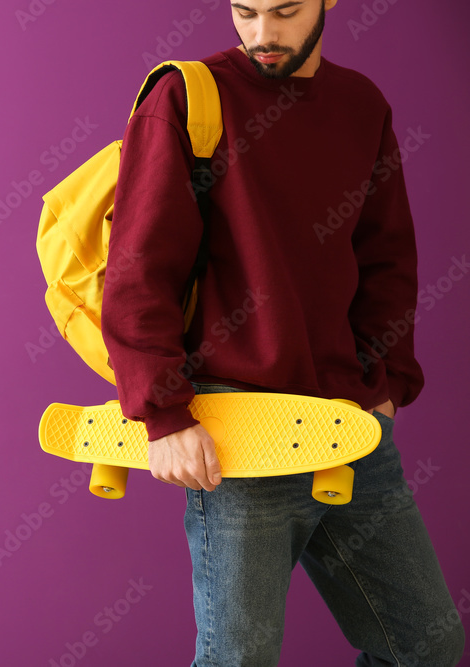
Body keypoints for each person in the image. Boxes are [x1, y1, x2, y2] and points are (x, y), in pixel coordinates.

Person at [100, 1, 466, 664]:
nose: (262, 34)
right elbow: (138, 268)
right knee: (240, 658)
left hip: (351, 427)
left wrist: (386, 383)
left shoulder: (361, 105)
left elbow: (386, 256)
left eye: (285, 11)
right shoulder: (186, 96)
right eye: (245, 11)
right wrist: (163, 413)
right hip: (240, 435)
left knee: (427, 646)